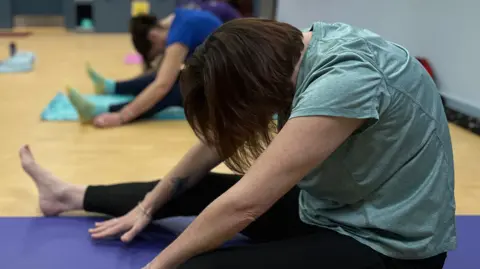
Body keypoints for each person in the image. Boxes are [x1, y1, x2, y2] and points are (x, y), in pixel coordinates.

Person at [22, 18, 455, 269]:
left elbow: (243, 206)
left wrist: (157, 266)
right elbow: (216, 145)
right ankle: (67, 196)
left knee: (195, 264)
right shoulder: (291, 50)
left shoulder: (343, 81)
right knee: (204, 188)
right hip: (334, 210)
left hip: (390, 249)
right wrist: (149, 204)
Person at [66, 8, 222, 127]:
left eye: (157, 52)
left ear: (153, 37)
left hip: (226, 90)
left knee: (174, 89)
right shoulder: (178, 18)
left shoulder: (179, 35)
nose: (163, 52)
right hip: (219, 76)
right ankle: (111, 87)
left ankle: (103, 110)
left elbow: (161, 86)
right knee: (170, 75)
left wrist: (122, 116)